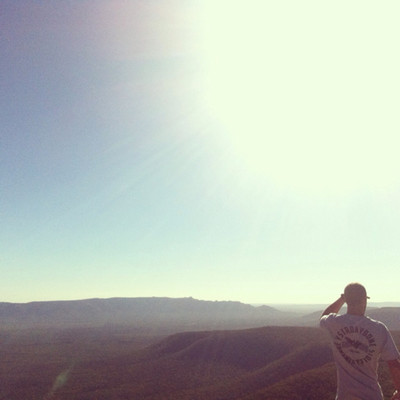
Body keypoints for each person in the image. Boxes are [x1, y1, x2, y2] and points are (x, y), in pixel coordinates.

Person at [320, 282, 400, 400]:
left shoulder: (334, 322)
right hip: (372, 395)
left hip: (344, 396)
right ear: (364, 300)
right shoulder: (379, 328)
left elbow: (324, 316)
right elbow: (393, 363)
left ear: (347, 301)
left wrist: (342, 299)